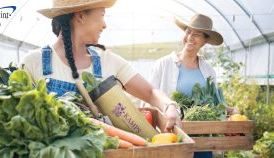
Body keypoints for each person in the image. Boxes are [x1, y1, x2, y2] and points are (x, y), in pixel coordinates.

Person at [19, 0, 181, 131]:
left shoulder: (109, 61)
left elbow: (151, 92)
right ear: (81, 16)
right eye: (102, 15)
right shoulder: (33, 62)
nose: (105, 25)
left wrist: (169, 106)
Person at [149, 13, 233, 158]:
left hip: (202, 141)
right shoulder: (163, 64)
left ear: (205, 41)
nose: (190, 37)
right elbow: (149, 98)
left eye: (197, 34)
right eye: (188, 31)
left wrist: (231, 110)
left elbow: (215, 103)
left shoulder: (208, 70)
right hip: (170, 138)